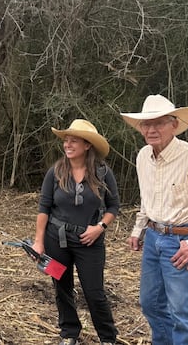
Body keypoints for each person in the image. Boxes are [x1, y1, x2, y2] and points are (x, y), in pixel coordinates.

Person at [121, 94, 188, 345]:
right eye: (146, 124)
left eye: (159, 123)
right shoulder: (143, 156)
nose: (151, 129)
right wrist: (138, 229)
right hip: (154, 238)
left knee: (181, 312)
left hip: (183, 242)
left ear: (174, 125)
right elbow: (148, 198)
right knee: (151, 305)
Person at [32, 119, 120, 345]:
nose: (67, 145)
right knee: (62, 288)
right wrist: (38, 242)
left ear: (87, 145)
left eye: (74, 141)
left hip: (90, 241)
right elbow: (44, 207)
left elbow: (113, 206)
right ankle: (69, 333)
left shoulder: (102, 172)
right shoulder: (56, 171)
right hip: (56, 240)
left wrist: (100, 228)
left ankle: (108, 338)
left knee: (94, 292)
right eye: (66, 141)